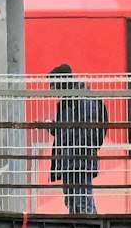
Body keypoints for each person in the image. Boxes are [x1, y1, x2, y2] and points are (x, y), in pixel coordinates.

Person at [41, 64, 108, 215]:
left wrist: (78, 150)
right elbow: (71, 130)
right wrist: (54, 128)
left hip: (78, 159)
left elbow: (88, 129)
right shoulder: (71, 99)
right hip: (72, 160)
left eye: (53, 85)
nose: (52, 89)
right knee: (74, 201)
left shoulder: (81, 98)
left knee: (82, 202)